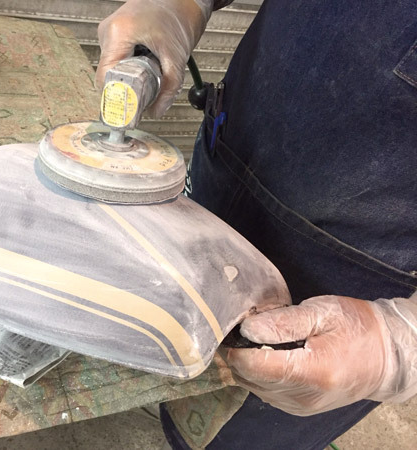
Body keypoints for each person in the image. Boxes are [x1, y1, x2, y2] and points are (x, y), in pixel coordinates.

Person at [96, 0, 417, 448]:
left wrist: (398, 345)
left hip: (351, 275)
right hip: (232, 151)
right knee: (177, 353)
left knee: (248, 423)